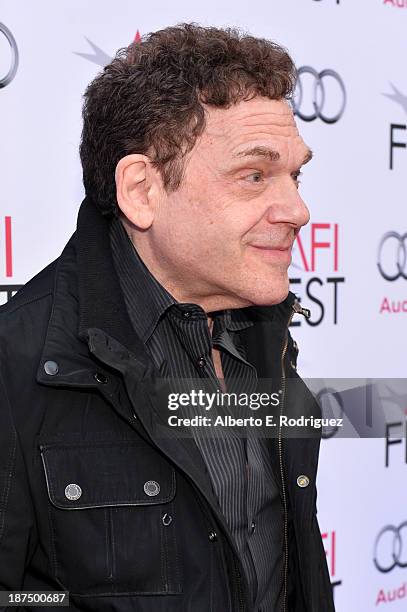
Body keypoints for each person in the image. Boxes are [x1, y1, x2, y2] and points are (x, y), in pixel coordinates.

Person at [0, 23, 335, 612]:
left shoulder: (267, 336)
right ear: (141, 190)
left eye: (295, 174)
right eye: (254, 175)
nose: (298, 210)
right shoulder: (16, 366)